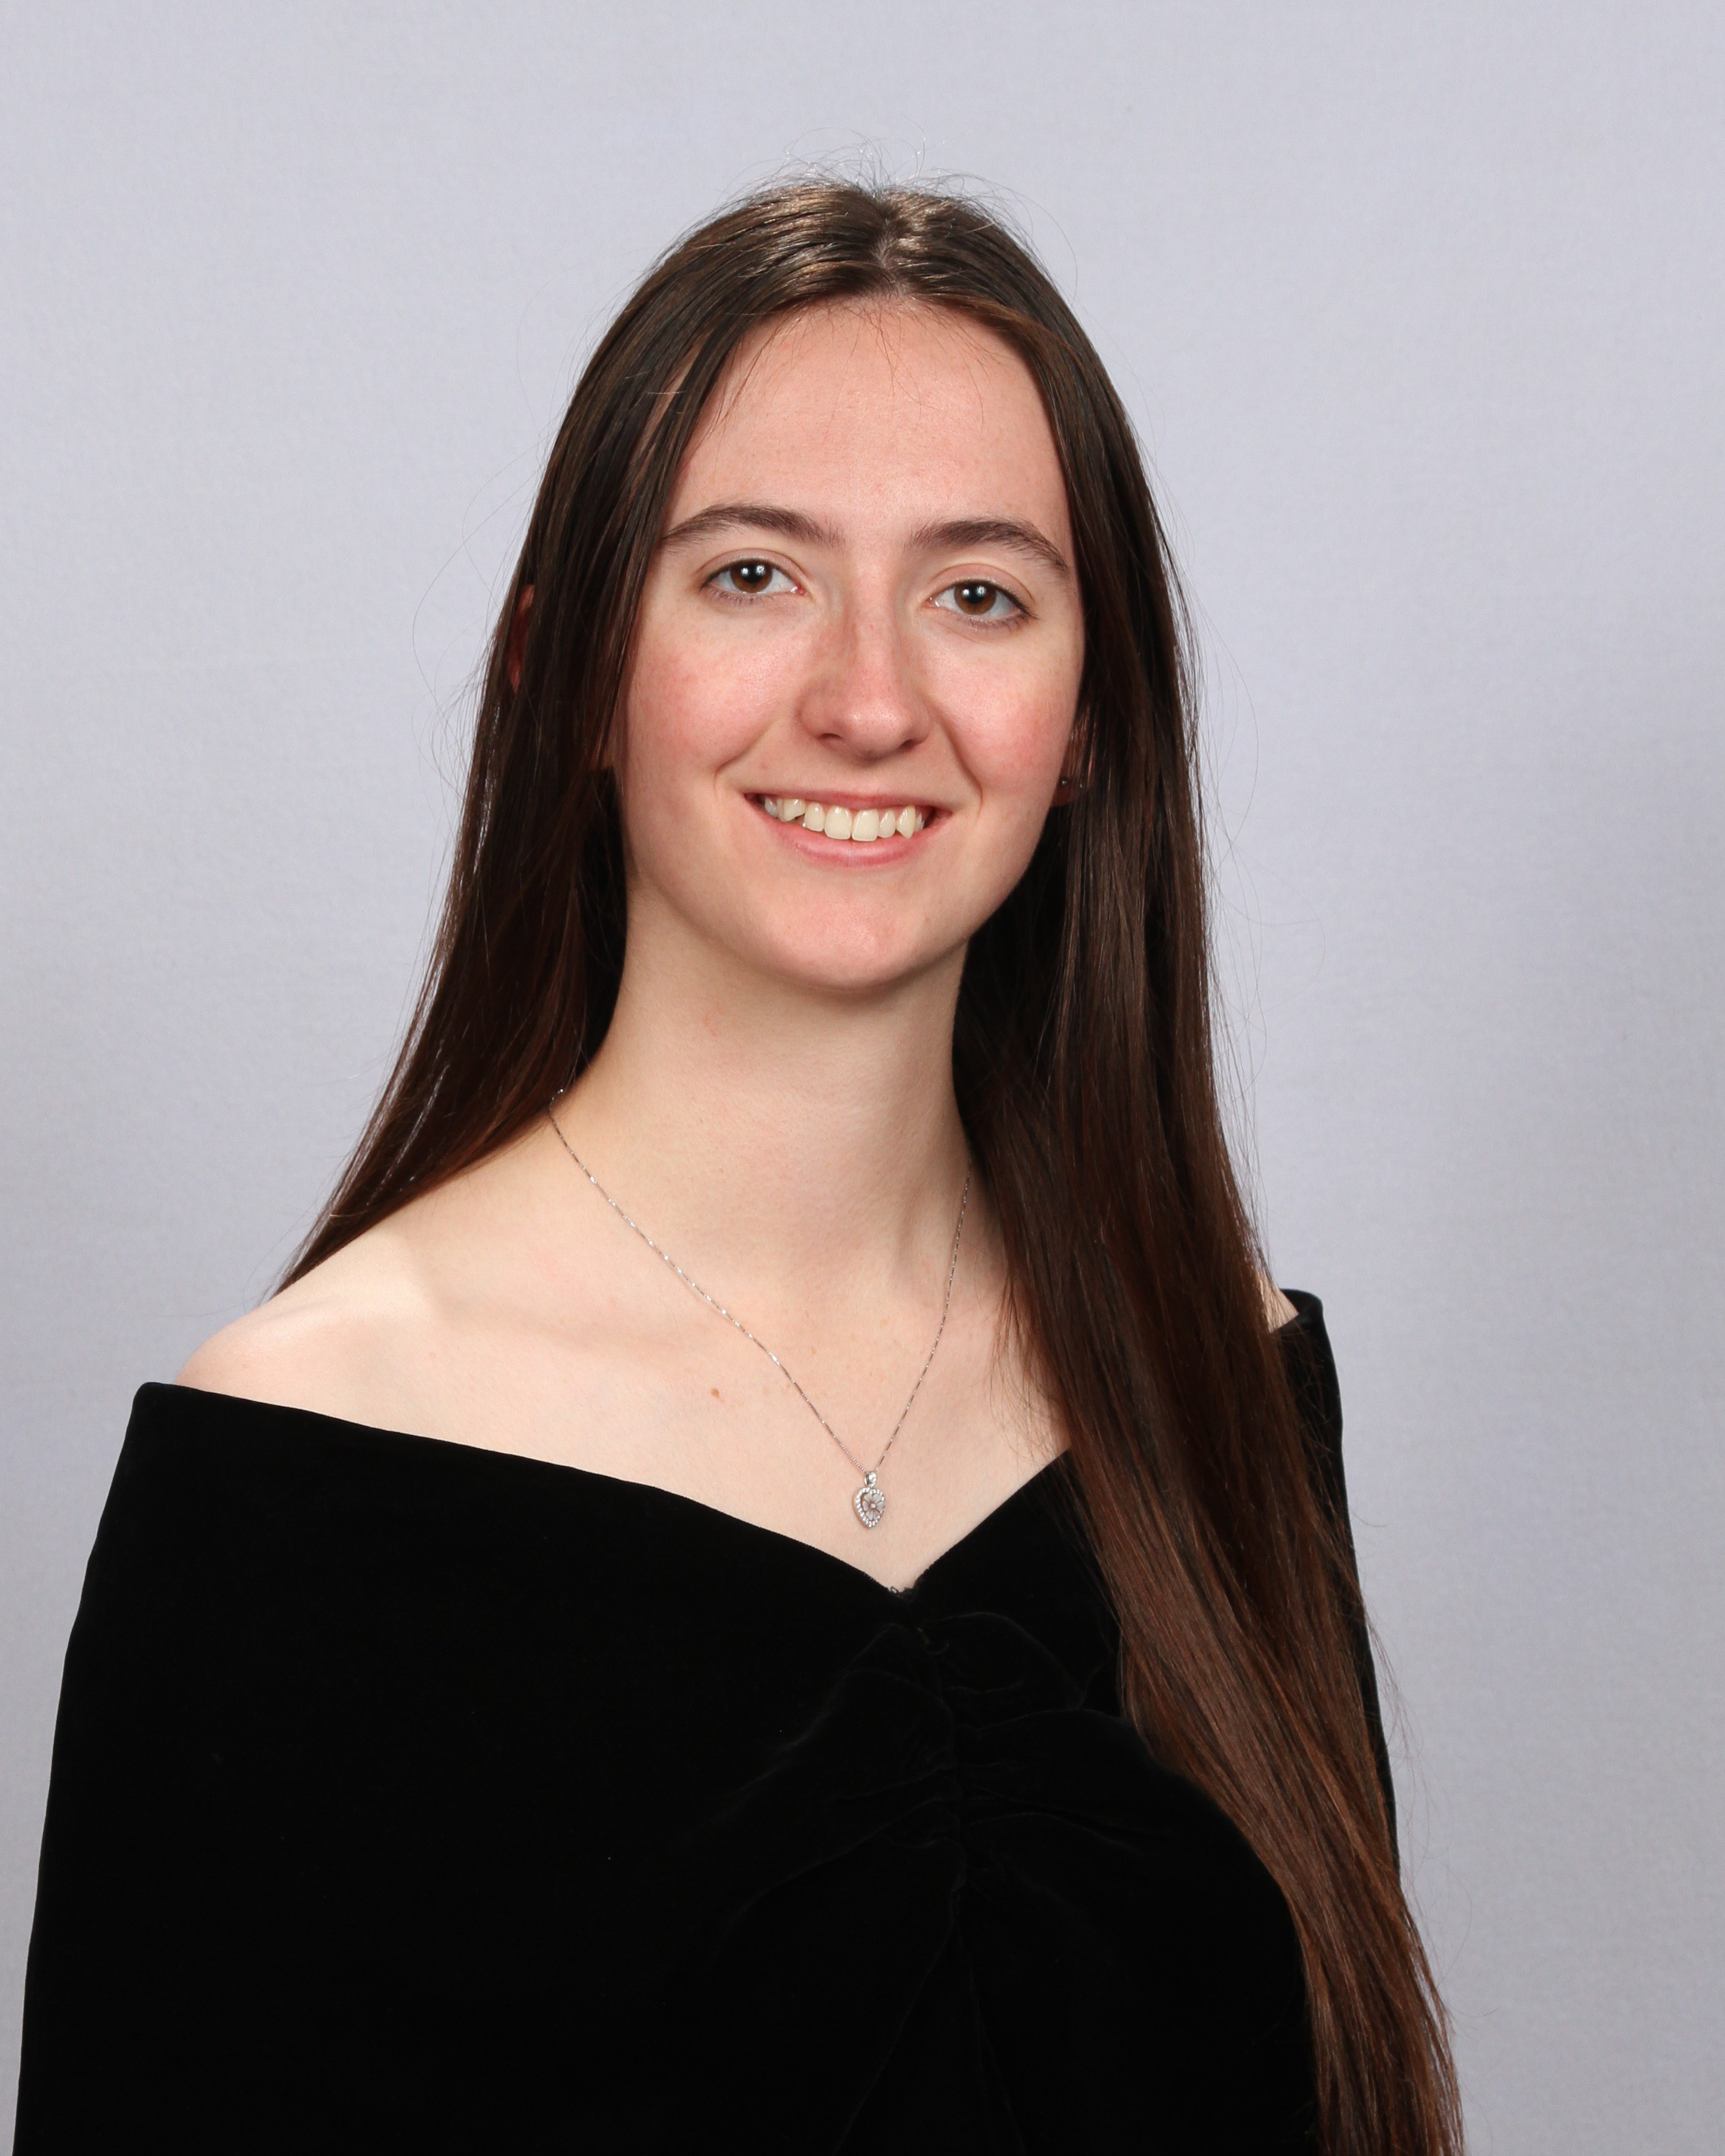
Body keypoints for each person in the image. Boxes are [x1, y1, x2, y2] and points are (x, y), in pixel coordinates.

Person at [15, 181, 1459, 2154]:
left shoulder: (1218, 1362)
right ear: (562, 675)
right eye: (752, 575)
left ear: (1091, 714)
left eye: (978, 594)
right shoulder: (302, 1454)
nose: (869, 701)